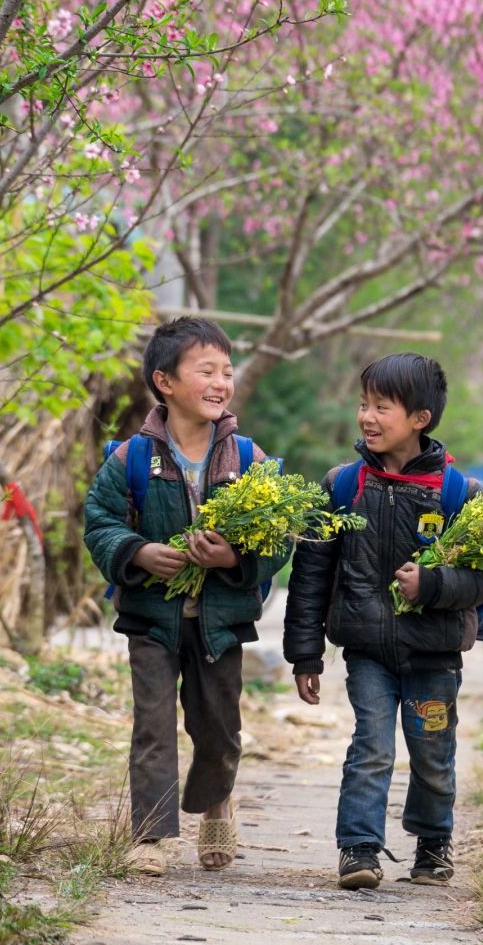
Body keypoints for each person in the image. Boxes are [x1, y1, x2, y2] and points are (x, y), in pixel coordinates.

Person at [283, 352, 483, 891]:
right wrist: (305, 653)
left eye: (382, 406)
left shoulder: (460, 496)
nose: (367, 417)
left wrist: (431, 586)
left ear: (420, 418)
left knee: (432, 751)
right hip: (368, 652)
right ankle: (358, 847)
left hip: (434, 656)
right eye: (363, 404)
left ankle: (433, 845)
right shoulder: (341, 485)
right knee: (372, 747)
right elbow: (311, 575)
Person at [84, 317, 287, 876]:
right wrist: (138, 553)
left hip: (220, 622)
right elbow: (98, 521)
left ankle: (217, 802)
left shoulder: (249, 460)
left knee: (218, 730)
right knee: (152, 726)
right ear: (165, 382)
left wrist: (234, 559)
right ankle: (149, 837)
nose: (221, 381)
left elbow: (278, 539)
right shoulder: (130, 457)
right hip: (151, 618)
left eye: (227, 370)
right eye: (206, 371)